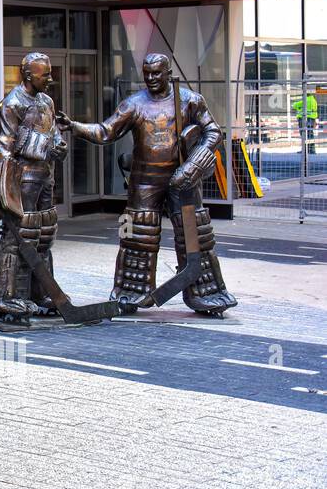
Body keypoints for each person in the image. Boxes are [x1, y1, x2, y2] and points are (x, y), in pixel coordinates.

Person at [57, 54, 236, 316]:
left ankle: (207, 292)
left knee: (195, 238)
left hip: (183, 179)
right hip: (144, 182)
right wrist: (75, 126)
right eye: (147, 73)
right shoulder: (134, 103)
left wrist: (194, 164)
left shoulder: (190, 100)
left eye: (156, 73)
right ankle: (131, 291)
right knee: (134, 237)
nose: (151, 78)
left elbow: (213, 132)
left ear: (168, 72)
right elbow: (106, 131)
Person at [0, 52, 66, 323]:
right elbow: (4, 150)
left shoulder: (47, 101)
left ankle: (42, 292)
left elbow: (54, 132)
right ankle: (8, 298)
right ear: (28, 75)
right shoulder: (11, 105)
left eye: (49, 72)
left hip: (46, 175)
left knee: (44, 234)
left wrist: (58, 145)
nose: (50, 78)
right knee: (16, 237)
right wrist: (4, 191)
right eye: (44, 74)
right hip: (22, 179)